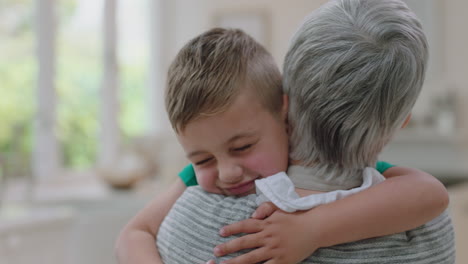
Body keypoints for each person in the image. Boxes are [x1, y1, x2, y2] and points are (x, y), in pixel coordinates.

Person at [115, 2, 453, 263]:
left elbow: (430, 193)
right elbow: (133, 233)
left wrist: (313, 229)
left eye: (244, 146)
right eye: (202, 158)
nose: (227, 172)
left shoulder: (335, 160)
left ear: (284, 112)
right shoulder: (199, 176)